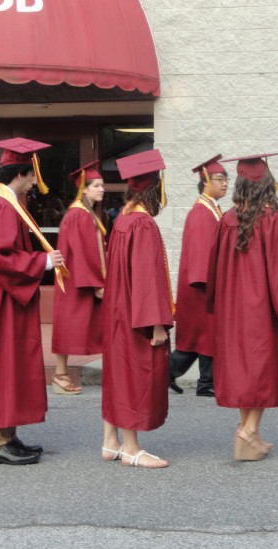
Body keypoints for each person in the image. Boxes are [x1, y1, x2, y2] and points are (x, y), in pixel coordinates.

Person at [0, 137, 65, 466]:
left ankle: (8, 437)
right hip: (2, 303)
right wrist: (41, 262)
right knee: (5, 367)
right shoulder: (1, 207)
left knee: (12, 367)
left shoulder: (7, 203)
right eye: (31, 175)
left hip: (7, 300)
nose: (34, 181)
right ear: (21, 173)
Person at [207, 153, 278, 461]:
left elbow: (214, 269)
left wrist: (216, 305)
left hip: (232, 311)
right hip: (261, 311)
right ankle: (246, 433)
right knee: (260, 371)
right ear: (266, 184)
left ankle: (252, 434)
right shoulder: (272, 219)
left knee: (243, 371)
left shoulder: (227, 219)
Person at [101, 149, 174, 468]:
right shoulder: (142, 224)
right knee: (134, 374)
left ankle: (110, 441)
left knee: (118, 372)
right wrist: (156, 323)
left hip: (118, 311)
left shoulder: (123, 220)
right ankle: (130, 448)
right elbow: (147, 278)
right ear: (154, 188)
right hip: (136, 314)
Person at [169, 155, 229, 397]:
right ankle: (169, 374)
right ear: (206, 181)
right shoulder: (201, 213)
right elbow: (201, 253)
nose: (225, 183)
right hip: (201, 286)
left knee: (203, 337)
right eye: (220, 179)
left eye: (226, 179)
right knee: (198, 338)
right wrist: (210, 284)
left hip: (207, 285)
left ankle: (206, 382)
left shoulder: (211, 208)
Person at [51, 160, 107, 396]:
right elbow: (83, 252)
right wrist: (96, 283)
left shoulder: (85, 213)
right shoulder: (79, 214)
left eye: (102, 185)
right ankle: (60, 375)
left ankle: (61, 374)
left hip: (80, 278)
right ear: (83, 188)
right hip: (77, 280)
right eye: (96, 185)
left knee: (73, 325)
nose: (101, 189)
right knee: (69, 325)